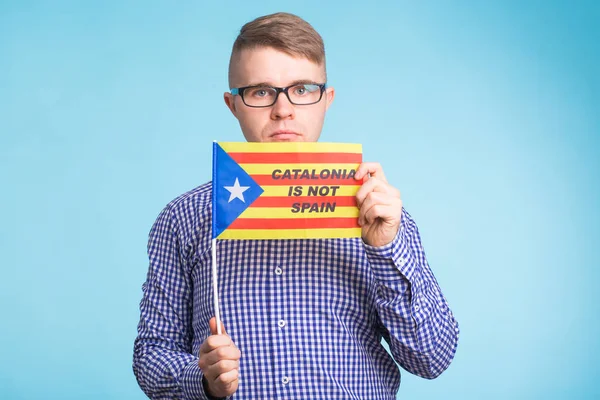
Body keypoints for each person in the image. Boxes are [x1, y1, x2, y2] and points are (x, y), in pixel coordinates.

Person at [133, 12, 459, 400]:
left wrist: (386, 248)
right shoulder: (184, 218)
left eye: (302, 89)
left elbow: (432, 357)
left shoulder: (376, 211)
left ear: (327, 100)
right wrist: (201, 377)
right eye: (260, 91)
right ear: (232, 104)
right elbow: (151, 355)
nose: (283, 109)